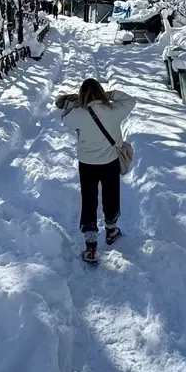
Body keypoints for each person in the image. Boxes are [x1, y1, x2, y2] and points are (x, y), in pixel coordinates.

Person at [56, 78, 137, 264]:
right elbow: (130, 101)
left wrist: (75, 102)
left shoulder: (79, 114)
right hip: (110, 162)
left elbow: (65, 118)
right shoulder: (113, 111)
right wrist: (110, 95)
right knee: (111, 195)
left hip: (87, 164)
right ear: (101, 92)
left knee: (89, 198)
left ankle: (91, 244)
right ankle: (111, 230)